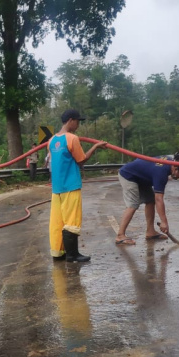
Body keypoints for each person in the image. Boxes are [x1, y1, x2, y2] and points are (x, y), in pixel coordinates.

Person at [48, 108, 109, 263]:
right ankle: (72, 255)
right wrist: (95, 146)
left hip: (56, 188)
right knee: (71, 220)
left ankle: (58, 253)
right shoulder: (72, 138)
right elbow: (81, 160)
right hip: (70, 186)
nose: (78, 126)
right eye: (78, 122)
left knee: (57, 221)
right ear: (71, 120)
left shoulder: (52, 140)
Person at [114, 152, 179, 245]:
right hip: (129, 175)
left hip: (142, 178)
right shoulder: (161, 173)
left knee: (150, 200)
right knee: (133, 204)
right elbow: (159, 199)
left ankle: (150, 231)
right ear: (176, 169)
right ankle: (120, 235)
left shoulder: (170, 162)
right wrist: (164, 222)